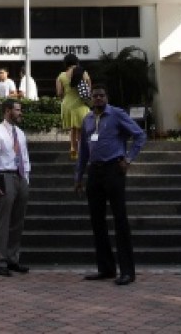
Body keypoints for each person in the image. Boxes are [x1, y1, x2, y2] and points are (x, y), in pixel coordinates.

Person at [74, 84, 146, 286]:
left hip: (114, 170)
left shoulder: (116, 114)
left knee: (120, 220)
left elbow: (140, 135)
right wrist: (78, 177)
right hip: (94, 173)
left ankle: (127, 272)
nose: (98, 98)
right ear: (90, 98)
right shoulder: (87, 119)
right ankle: (106, 268)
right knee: (97, 222)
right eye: (95, 95)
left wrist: (129, 159)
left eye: (101, 95)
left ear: (106, 97)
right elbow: (83, 151)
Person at [0, 99, 31, 277]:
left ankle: (13, 258)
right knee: (3, 221)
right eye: (17, 110)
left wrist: (26, 178)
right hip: (4, 176)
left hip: (20, 177)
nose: (20, 113)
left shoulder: (19, 133)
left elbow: (25, 156)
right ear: (7, 110)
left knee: (18, 221)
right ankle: (0, 260)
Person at [56, 53, 91, 160]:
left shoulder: (61, 76)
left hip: (67, 104)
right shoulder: (83, 73)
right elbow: (89, 88)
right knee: (81, 128)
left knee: (73, 128)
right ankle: (81, 150)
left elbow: (59, 93)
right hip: (80, 104)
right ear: (76, 61)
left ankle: (73, 149)